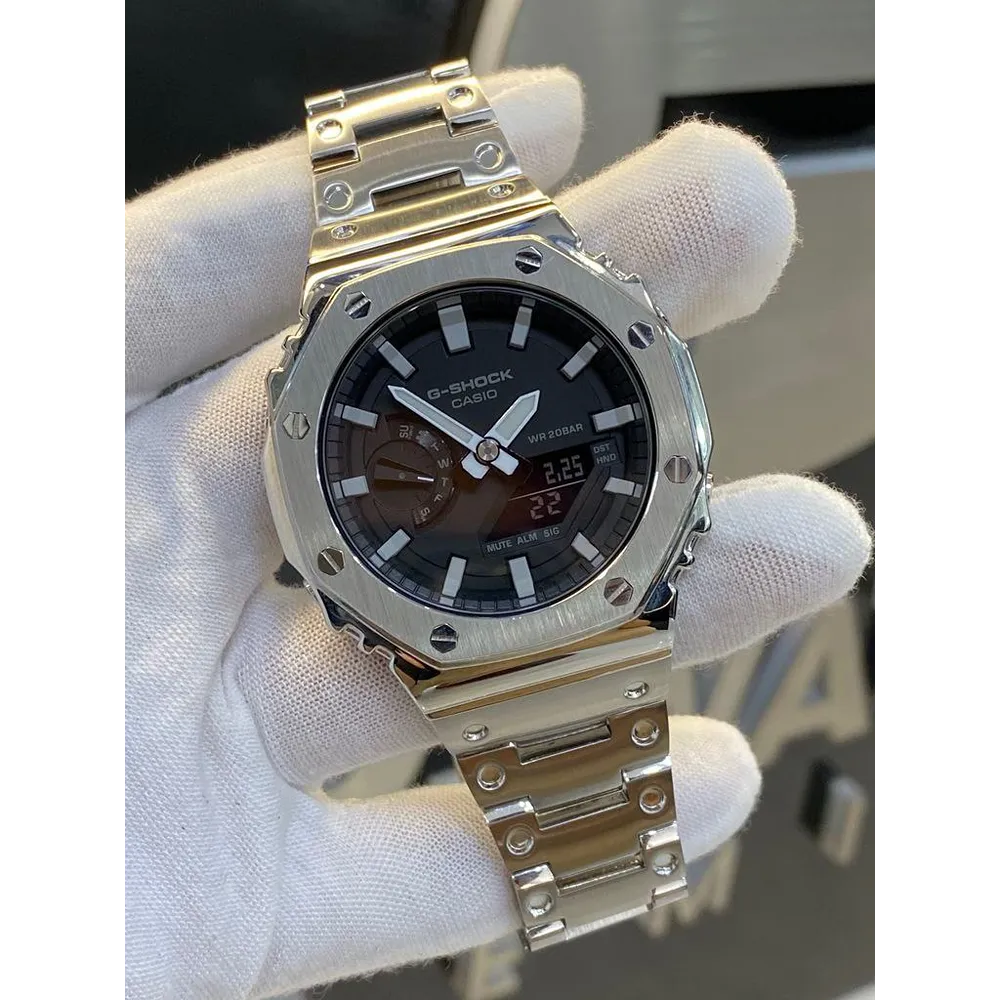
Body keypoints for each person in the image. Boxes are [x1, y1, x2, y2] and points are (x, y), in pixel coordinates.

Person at [121, 66, 871, 999]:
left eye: (498, 448)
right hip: (472, 604)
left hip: (577, 590)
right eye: (469, 454)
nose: (487, 460)